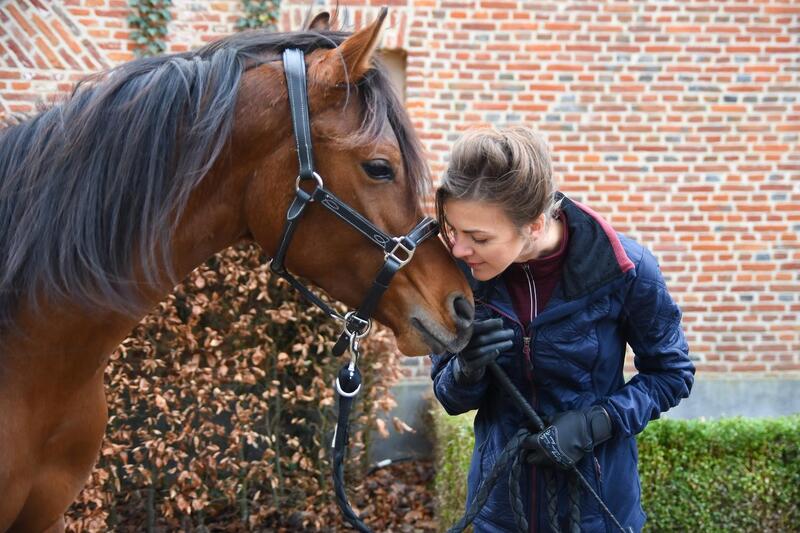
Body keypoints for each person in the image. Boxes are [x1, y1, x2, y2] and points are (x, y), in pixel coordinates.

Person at [431, 127, 695, 532]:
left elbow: (671, 375)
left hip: (597, 511)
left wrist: (596, 423)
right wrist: (466, 369)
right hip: (499, 511)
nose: (459, 251)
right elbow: (449, 398)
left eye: (479, 238)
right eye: (453, 230)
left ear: (535, 226)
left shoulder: (626, 270)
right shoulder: (456, 278)